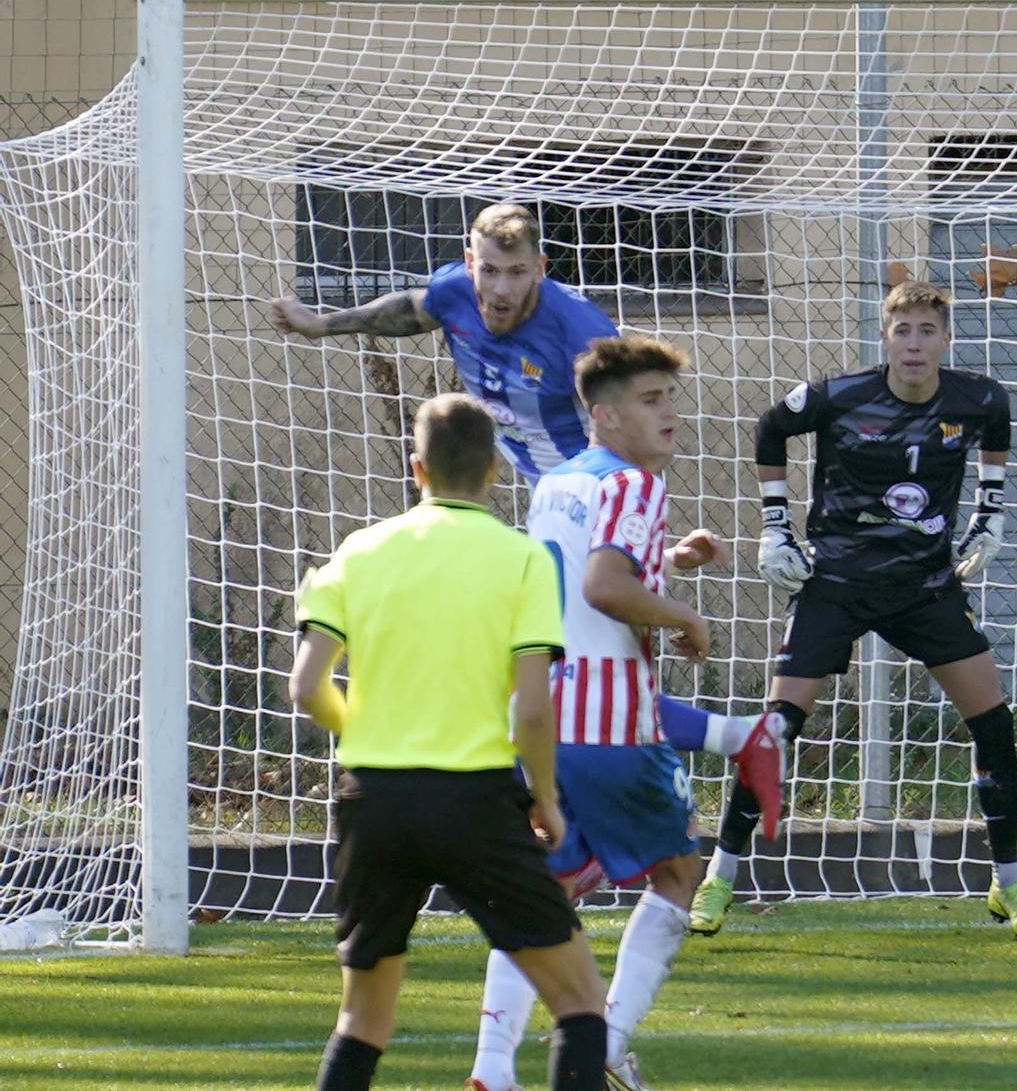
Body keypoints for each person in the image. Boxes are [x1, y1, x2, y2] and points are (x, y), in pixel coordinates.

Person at [269, 204, 780, 831]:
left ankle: (702, 760)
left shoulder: (580, 330)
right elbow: (410, 309)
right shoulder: (456, 293)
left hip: (585, 491)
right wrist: (322, 324)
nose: (500, 289)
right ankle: (584, 819)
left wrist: (634, 527)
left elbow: (628, 416)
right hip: (548, 503)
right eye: (489, 271)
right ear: (469, 263)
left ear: (540, 268)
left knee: (571, 680)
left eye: (516, 273)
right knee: (561, 678)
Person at [687, 280, 1017, 942]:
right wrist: (776, 528)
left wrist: (989, 518)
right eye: (902, 330)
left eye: (926, 331)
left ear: (946, 338)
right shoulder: (840, 396)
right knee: (776, 728)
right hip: (838, 581)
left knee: (994, 726)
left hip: (926, 585)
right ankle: (719, 876)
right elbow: (770, 428)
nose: (914, 344)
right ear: (885, 336)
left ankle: (1010, 883)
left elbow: (996, 433)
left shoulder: (979, 398)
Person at [288, 393, 607, 1091]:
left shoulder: (358, 551)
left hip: (372, 802)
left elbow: (307, 686)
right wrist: (546, 799)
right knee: (580, 1004)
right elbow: (530, 709)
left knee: (362, 1021)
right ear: (494, 469)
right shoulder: (522, 560)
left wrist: (367, 733)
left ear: (416, 468)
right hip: (476, 802)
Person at [470, 335, 725, 1091]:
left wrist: (670, 564)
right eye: (652, 401)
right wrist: (686, 617)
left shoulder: (558, 483)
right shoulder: (637, 486)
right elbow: (604, 588)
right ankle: (608, 1043)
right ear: (606, 417)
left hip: (545, 717)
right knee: (678, 873)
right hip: (613, 724)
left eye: (670, 398)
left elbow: (585, 570)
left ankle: (491, 1069)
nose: (670, 415)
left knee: (547, 894)